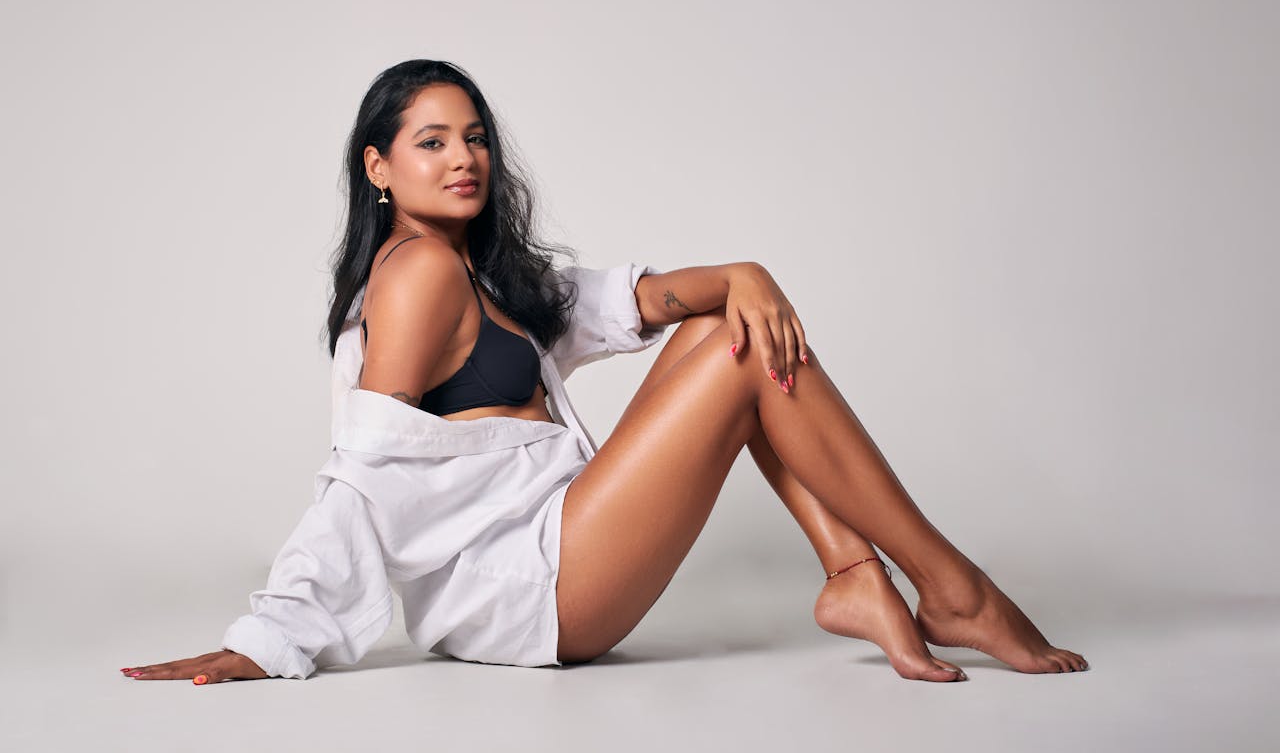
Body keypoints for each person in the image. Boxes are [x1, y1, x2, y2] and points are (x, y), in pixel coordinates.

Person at [120, 59, 1086, 686]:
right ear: (378, 167)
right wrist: (269, 634)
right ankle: (948, 587)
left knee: (724, 324)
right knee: (736, 347)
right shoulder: (416, 276)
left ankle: (855, 576)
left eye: (476, 137)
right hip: (530, 590)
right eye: (433, 141)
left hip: (557, 548)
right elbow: (364, 473)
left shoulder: (478, 270)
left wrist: (743, 272)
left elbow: (637, 300)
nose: (466, 157)